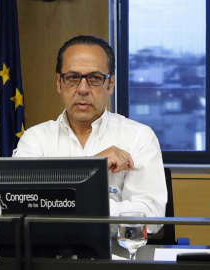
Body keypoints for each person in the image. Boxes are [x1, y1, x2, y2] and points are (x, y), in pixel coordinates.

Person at [12, 35, 167, 233]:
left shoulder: (139, 137)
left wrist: (62, 206)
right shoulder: (35, 139)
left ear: (110, 85)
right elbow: (21, 206)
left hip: (117, 261)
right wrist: (93, 166)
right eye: (73, 78)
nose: (83, 89)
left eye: (95, 78)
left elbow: (150, 215)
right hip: (48, 260)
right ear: (59, 83)